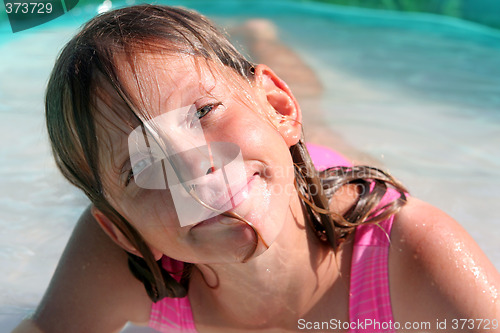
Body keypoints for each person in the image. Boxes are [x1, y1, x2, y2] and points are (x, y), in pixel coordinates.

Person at [13, 4, 499, 333]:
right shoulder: (125, 260)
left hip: (327, 192)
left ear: (278, 106)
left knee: (325, 126)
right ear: (118, 230)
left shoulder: (410, 254)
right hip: (257, 174)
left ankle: (267, 37)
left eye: (203, 112)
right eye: (143, 165)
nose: (196, 169)